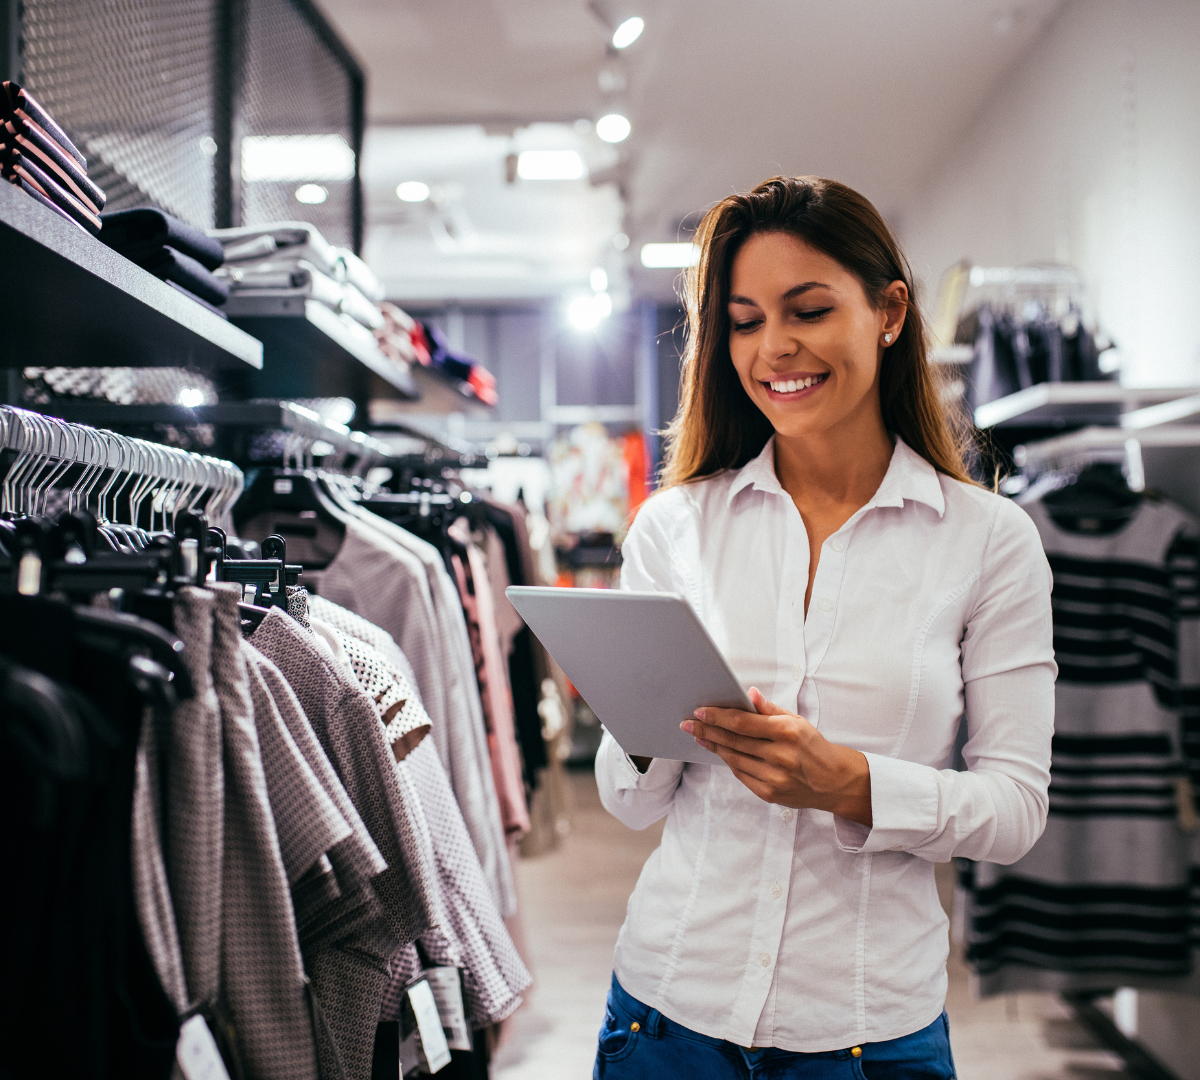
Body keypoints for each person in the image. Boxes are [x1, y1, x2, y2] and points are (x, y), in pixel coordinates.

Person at [593, 176, 1056, 1078]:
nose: (775, 348)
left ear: (888, 312)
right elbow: (630, 802)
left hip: (866, 1030)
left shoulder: (988, 543)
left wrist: (853, 784)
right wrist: (645, 724)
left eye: (807, 309)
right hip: (665, 1015)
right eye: (744, 320)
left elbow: (1015, 809)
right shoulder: (676, 527)